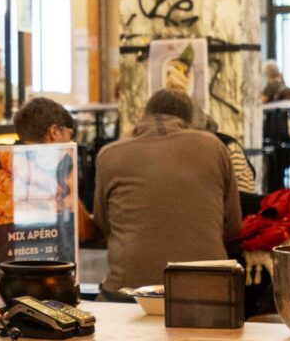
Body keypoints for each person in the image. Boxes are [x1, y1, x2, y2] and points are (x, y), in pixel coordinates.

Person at [91, 88, 242, 293]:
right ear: (188, 121)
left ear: (144, 116)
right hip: (209, 290)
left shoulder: (110, 154)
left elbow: (103, 224)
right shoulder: (214, 146)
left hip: (128, 293)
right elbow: (233, 226)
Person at [0, 95, 93, 261]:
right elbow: (81, 232)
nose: (69, 141)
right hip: (47, 274)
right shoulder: (57, 164)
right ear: (54, 131)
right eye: (69, 135)